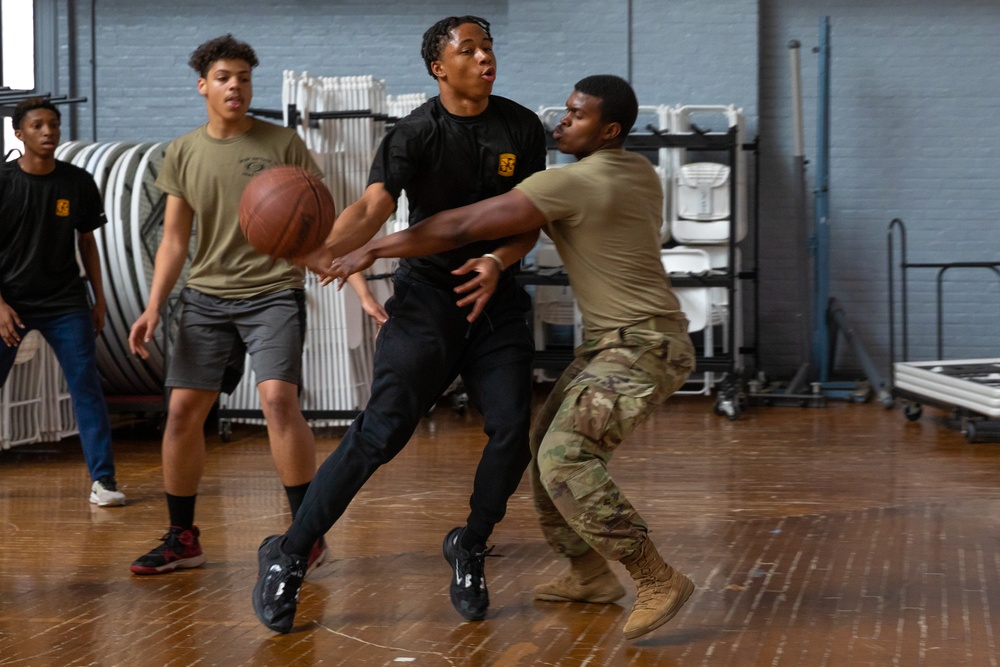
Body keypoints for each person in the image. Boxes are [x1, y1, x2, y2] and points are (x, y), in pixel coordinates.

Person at [324, 75, 698, 640]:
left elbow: (465, 224)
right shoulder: (638, 170)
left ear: (610, 131)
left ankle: (655, 577)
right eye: (564, 112)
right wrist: (498, 261)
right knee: (541, 454)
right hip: (622, 341)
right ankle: (590, 575)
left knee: (566, 458)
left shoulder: (576, 181)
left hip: (642, 345)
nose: (560, 123)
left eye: (576, 117)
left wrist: (373, 246)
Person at [251, 15, 546, 633]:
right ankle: (290, 552)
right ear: (440, 68)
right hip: (429, 302)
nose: (485, 56)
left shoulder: (520, 126)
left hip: (497, 303)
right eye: (469, 49)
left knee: (514, 428)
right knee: (380, 433)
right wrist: (328, 246)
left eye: (488, 46)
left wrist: (498, 260)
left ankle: (470, 543)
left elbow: (529, 220)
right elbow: (375, 205)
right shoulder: (415, 132)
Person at [126, 35, 371, 574]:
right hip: (206, 297)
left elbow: (315, 232)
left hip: (273, 294)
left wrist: (358, 281)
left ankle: (307, 535)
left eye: (243, 77)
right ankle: (182, 538)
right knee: (182, 413)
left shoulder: (282, 144)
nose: (235, 85)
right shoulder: (183, 151)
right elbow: (173, 240)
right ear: (203, 86)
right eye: (223, 77)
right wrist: (151, 307)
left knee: (279, 401)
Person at [0, 97, 126, 508]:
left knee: (86, 387)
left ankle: (103, 482)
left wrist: (100, 298)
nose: (48, 131)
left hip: (65, 302)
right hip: (11, 303)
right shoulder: (4, 182)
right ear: (19, 134)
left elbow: (87, 242)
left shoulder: (77, 182)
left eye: (53, 124)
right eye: (37, 125)